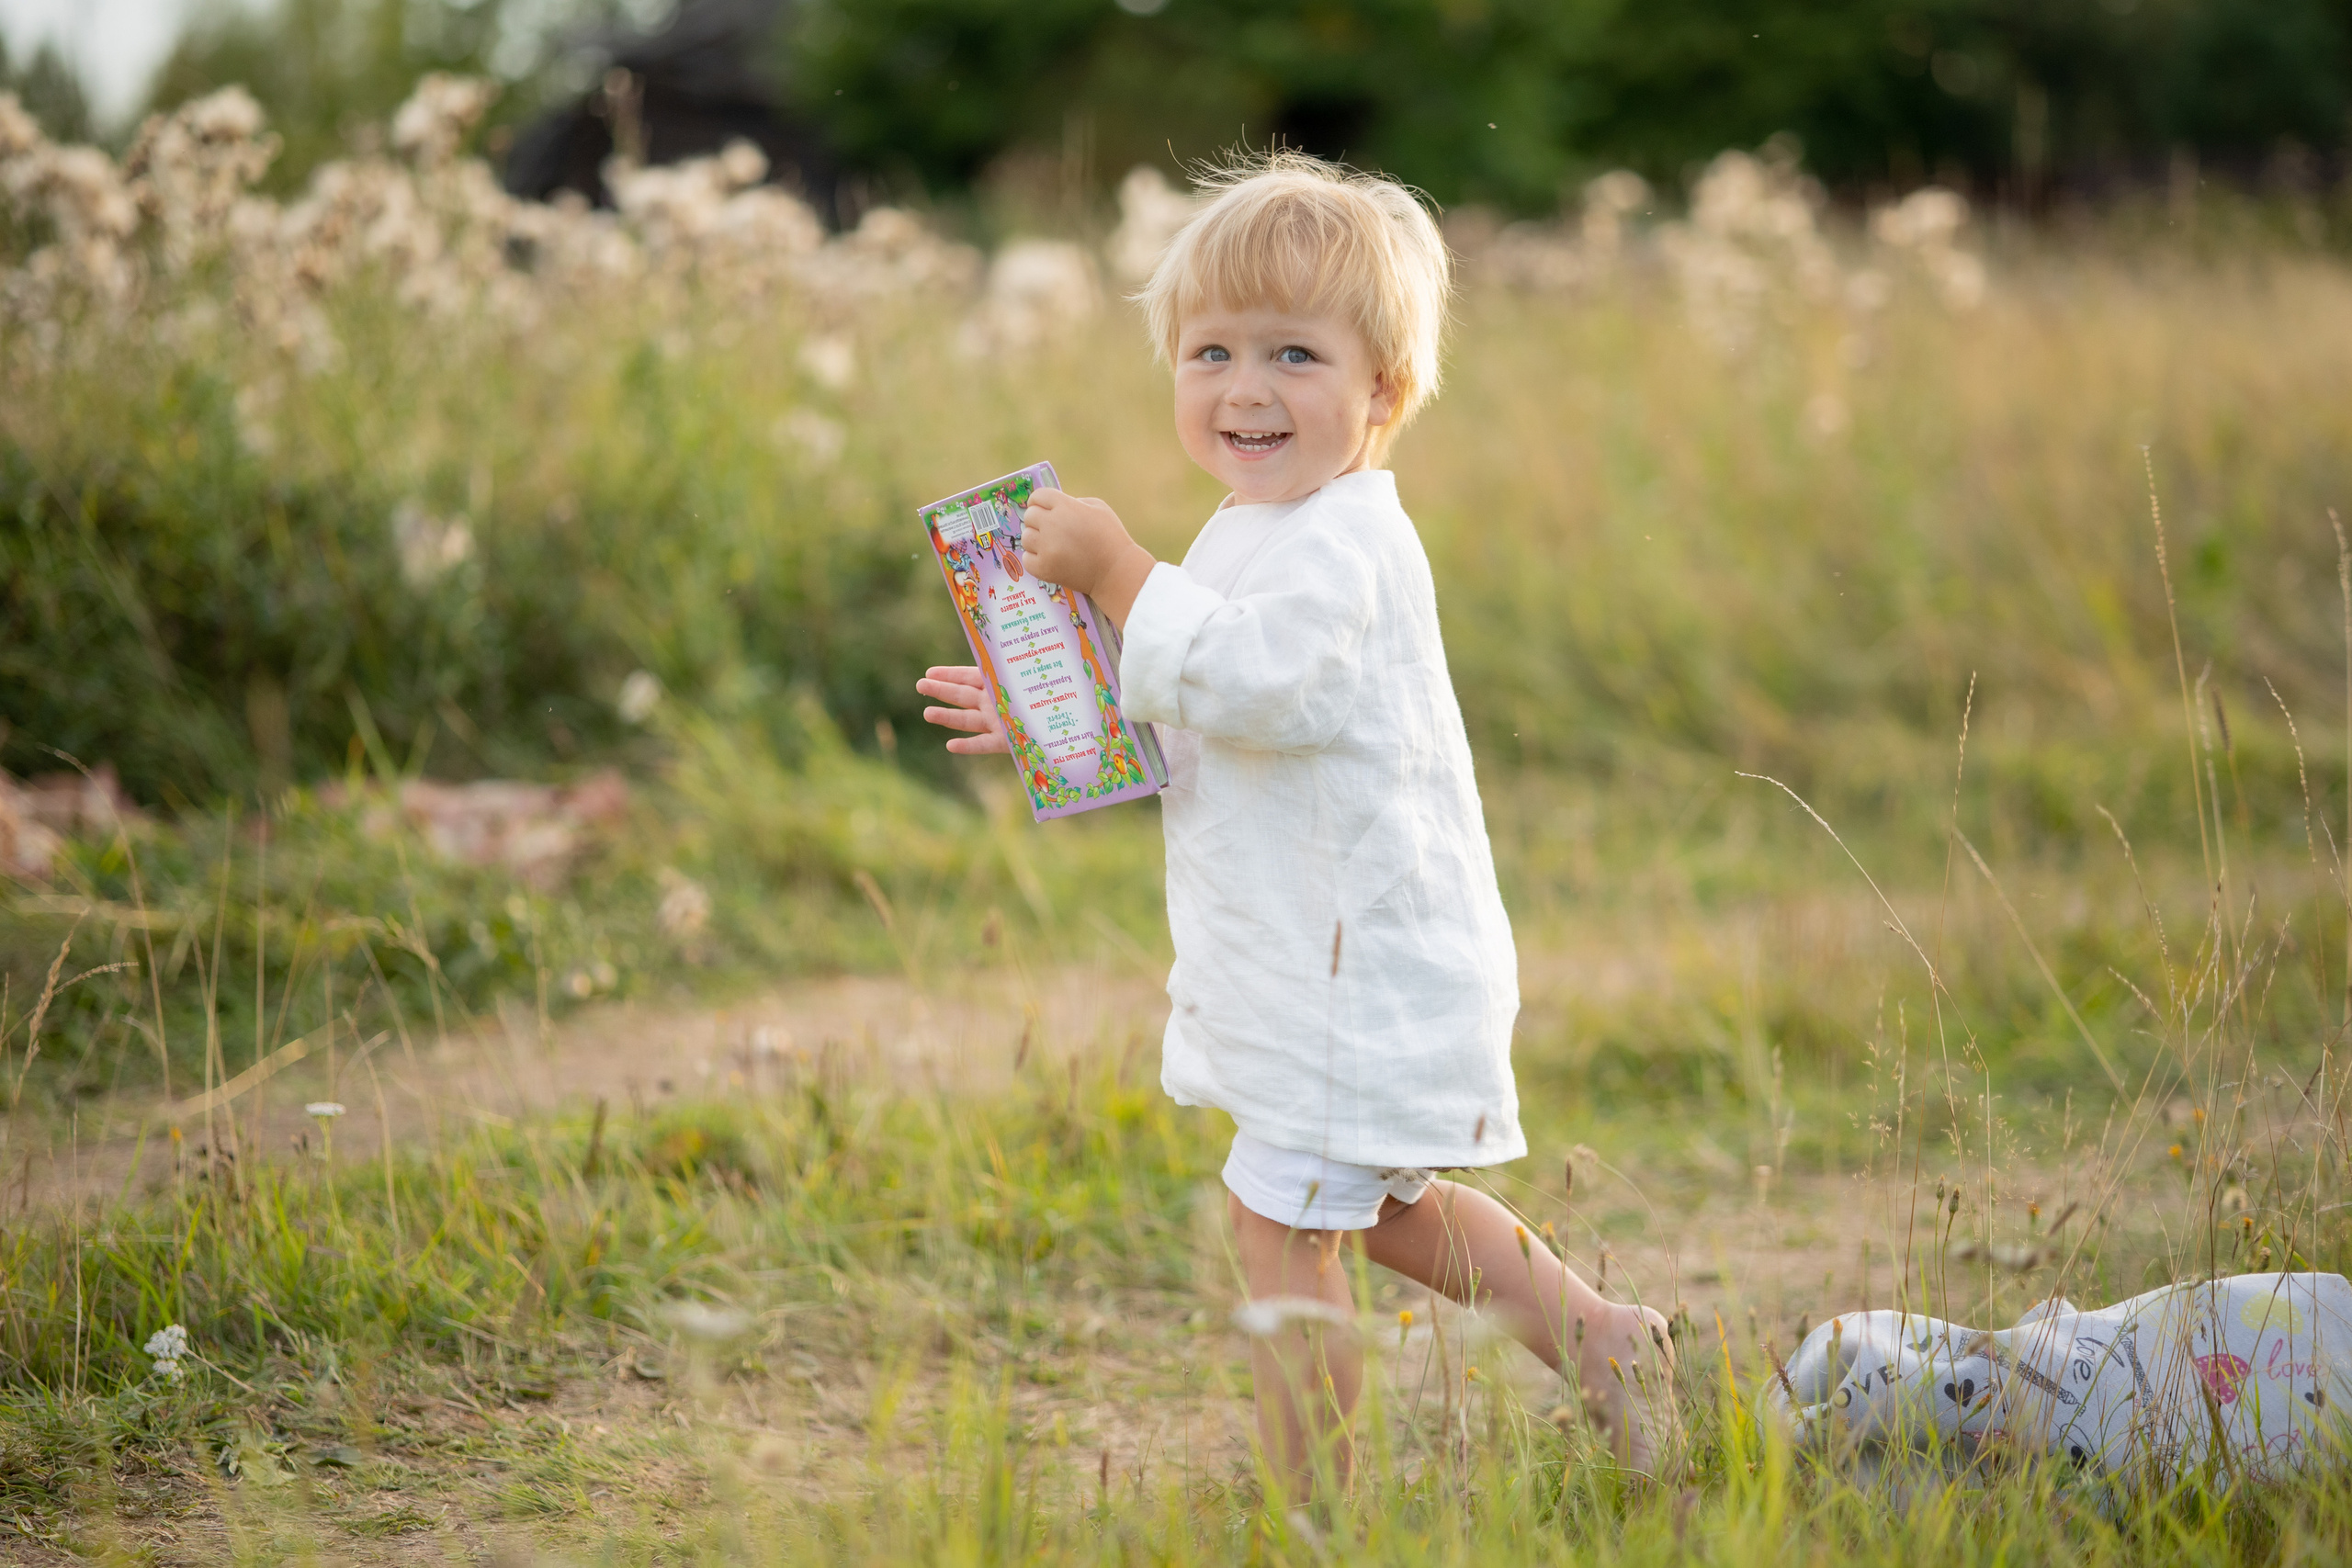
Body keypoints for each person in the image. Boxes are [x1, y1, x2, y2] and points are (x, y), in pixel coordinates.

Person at [916, 152, 1678, 1495]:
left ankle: (1310, 1501)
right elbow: (1215, 706)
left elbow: (1265, 681)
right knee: (1379, 1213)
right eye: (1209, 350)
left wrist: (1118, 569)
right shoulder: (1247, 533)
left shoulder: (1344, 542)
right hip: (1306, 961)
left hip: (1355, 965)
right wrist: (1057, 705)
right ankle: (1604, 1340)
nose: (1245, 387)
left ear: (1382, 391)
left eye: (1294, 355)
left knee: (1279, 1227)